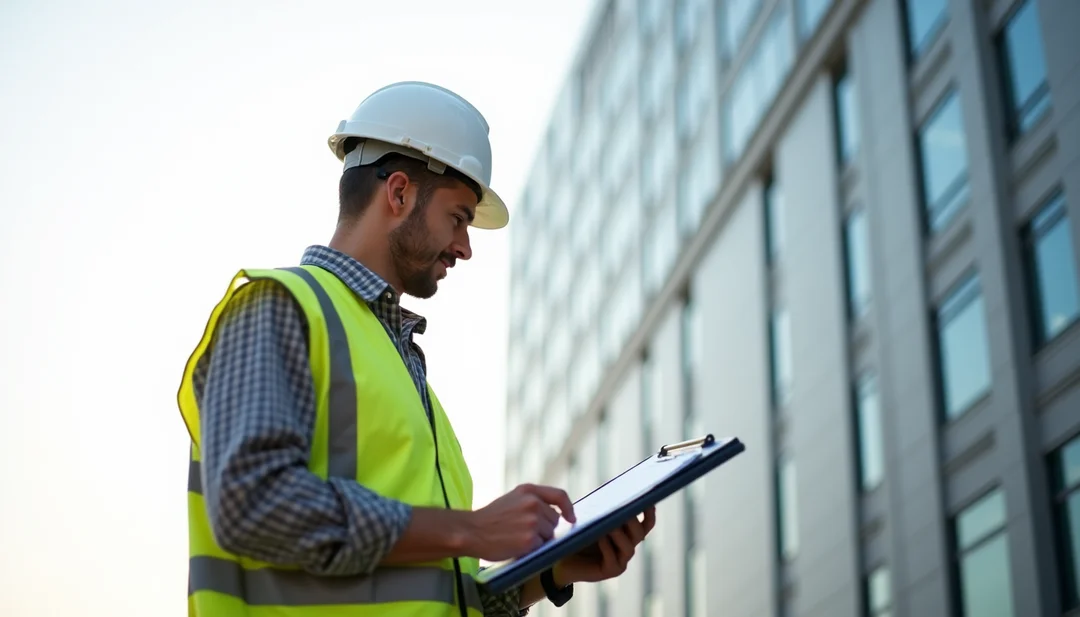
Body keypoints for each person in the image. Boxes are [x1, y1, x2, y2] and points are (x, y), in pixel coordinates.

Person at [175, 80, 655, 617]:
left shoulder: (403, 372)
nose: (466, 248)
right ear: (399, 193)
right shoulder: (278, 308)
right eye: (458, 218)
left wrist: (552, 571)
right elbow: (253, 504)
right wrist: (468, 529)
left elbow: (433, 595)